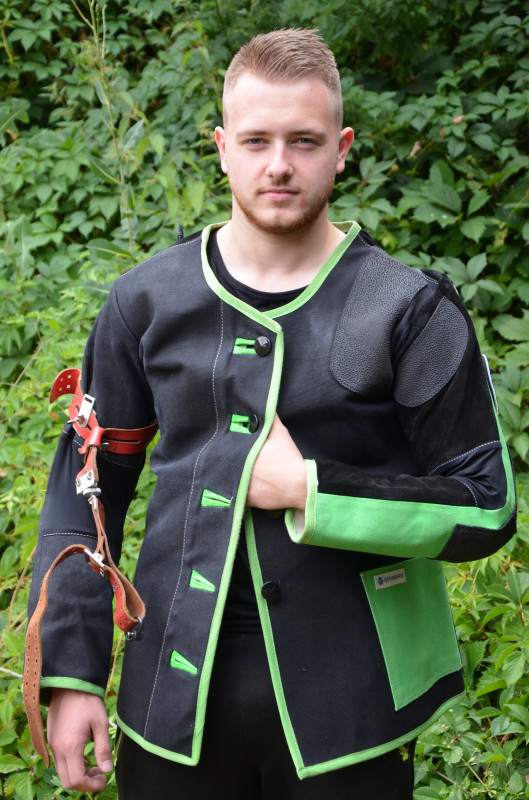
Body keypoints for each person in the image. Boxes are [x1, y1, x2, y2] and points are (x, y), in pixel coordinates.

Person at [27, 28, 516, 800]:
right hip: (169, 710)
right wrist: (72, 672)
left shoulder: (408, 308)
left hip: (355, 714)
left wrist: (308, 489)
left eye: (303, 141)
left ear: (341, 149)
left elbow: (485, 505)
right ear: (223, 148)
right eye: (256, 140)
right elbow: (85, 493)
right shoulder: (145, 302)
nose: (278, 164)